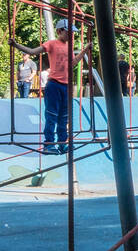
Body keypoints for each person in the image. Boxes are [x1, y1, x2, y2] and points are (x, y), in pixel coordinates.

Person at [11, 20, 90, 155]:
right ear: (59, 31)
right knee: (52, 115)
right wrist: (15, 45)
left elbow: (73, 63)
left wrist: (85, 50)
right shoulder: (52, 44)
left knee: (64, 117)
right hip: (54, 85)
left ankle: (62, 142)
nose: (71, 35)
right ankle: (49, 143)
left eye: (73, 33)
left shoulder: (69, 47)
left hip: (66, 86)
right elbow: (32, 51)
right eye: (68, 32)